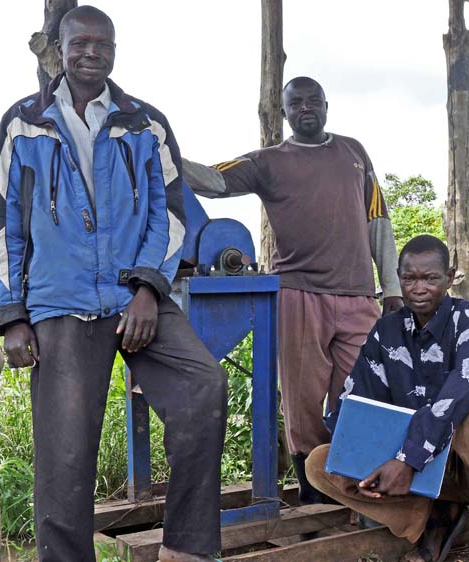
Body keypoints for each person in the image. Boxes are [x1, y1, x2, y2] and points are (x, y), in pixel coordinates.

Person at [0, 7, 226, 562]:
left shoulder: (144, 122)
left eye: (104, 43)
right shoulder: (24, 123)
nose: (92, 52)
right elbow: (0, 225)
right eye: (80, 42)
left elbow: (174, 214)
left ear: (115, 50)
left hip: (133, 297)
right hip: (60, 302)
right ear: (57, 48)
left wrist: (148, 288)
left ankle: (186, 549)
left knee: (203, 387)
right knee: (64, 456)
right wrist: (12, 315)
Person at [182, 77, 403, 503]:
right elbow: (213, 180)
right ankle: (312, 489)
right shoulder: (269, 161)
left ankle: (352, 479)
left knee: (364, 389)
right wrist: (164, 152)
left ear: (326, 106)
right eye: (295, 103)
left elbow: (378, 219)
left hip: (358, 295)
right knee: (302, 398)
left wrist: (390, 284)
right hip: (299, 294)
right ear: (283, 113)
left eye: (313, 101)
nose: (306, 108)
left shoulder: (353, 151)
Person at [304, 235, 469, 562]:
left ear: (450, 276)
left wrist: (407, 458)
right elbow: (356, 403)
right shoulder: (386, 332)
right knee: (321, 463)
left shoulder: (467, 318)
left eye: (431, 278)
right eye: (409, 278)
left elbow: (463, 386)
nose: (419, 288)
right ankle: (424, 514)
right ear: (398, 278)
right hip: (421, 473)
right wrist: (363, 456)